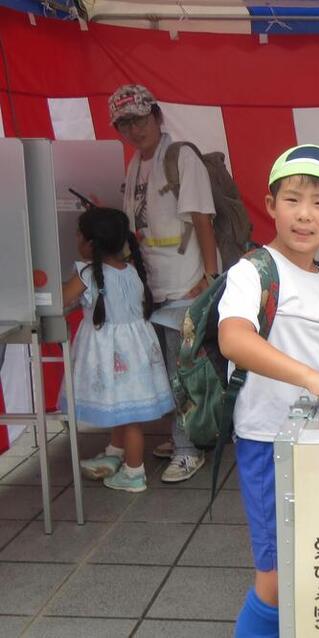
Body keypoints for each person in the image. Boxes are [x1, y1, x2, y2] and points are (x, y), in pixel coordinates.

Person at [217, 144, 319, 637]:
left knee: (309, 565)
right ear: (271, 204)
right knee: (276, 578)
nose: (304, 214)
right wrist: (311, 378)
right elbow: (235, 338)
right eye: (293, 199)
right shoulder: (253, 270)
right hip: (268, 443)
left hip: (315, 440)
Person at [109, 84, 218, 482]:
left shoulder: (180, 156)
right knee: (165, 367)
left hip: (185, 282)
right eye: (125, 124)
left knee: (181, 369)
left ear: (156, 115)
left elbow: (202, 219)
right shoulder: (136, 163)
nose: (134, 130)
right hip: (151, 285)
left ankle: (189, 447)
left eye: (138, 119)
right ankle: (183, 434)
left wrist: (208, 278)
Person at [63, 208, 174, 492]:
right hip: (136, 351)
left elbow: (62, 298)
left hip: (108, 353)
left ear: (90, 243)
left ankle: (134, 472)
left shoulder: (87, 273)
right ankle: (114, 452)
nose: (76, 238)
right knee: (124, 405)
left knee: (130, 416)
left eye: (78, 233)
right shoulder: (132, 270)